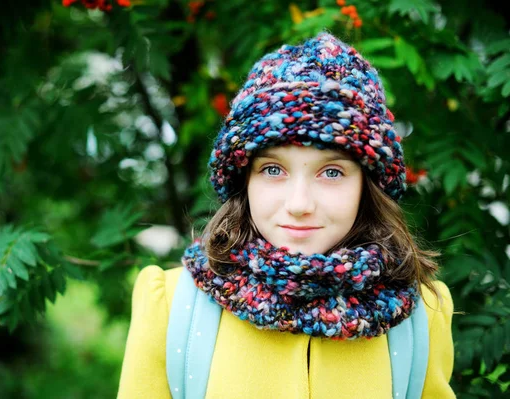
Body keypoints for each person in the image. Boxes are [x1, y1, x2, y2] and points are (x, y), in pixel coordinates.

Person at [117, 31, 455, 398]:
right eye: (274, 170)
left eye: (332, 172)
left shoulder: (421, 315)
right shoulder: (171, 305)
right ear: (243, 179)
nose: (299, 203)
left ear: (368, 185)